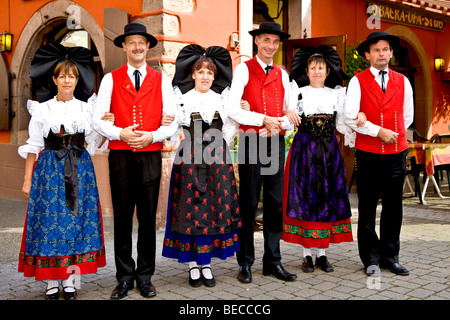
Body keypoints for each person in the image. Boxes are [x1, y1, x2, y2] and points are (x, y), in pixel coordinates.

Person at [162, 44, 275, 287]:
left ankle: (206, 264)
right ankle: (193, 265)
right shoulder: (180, 99)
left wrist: (242, 110)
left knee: (213, 209)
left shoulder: (223, 100)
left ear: (215, 76)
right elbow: (172, 129)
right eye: (200, 72)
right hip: (189, 160)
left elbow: (229, 130)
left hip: (217, 160)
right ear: (192, 74)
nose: (205, 77)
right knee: (189, 210)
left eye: (210, 73)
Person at [18, 43, 113, 300]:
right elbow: (34, 146)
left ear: (76, 79)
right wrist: (27, 180)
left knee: (75, 224)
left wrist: (106, 126)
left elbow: (94, 141)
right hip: (49, 172)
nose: (67, 80)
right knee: (50, 223)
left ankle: (70, 279)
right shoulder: (42, 109)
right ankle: (51, 281)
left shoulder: (86, 108)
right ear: (54, 79)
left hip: (80, 170)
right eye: (62, 76)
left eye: (71, 76)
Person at [92, 23, 178, 299]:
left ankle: (145, 276)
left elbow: (172, 121)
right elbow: (97, 118)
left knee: (148, 218)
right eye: (132, 42)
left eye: (142, 42)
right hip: (120, 156)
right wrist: (120, 132)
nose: (138, 47)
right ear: (124, 46)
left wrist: (152, 136)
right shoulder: (110, 79)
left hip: (150, 154)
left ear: (148, 46)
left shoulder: (162, 79)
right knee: (122, 218)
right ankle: (124, 277)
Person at [282, 46, 365, 273]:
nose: (317, 71)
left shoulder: (336, 94)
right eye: (313, 68)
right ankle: (307, 254)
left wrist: (358, 117)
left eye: (321, 68)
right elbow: (290, 121)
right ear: (307, 71)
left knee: (326, 197)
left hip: (329, 152)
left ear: (328, 71)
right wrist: (283, 119)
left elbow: (343, 122)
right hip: (304, 151)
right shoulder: (298, 92)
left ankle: (323, 254)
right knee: (306, 198)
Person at [229, 22, 299, 283]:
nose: (271, 46)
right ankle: (245, 262)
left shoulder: (282, 74)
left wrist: (279, 123)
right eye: (266, 40)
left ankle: (273, 261)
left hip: (275, 143)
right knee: (247, 203)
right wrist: (264, 120)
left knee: (274, 202)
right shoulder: (243, 70)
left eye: (275, 42)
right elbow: (232, 109)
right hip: (251, 141)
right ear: (257, 41)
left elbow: (292, 115)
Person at [344, 31, 414, 276]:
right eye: (376, 50)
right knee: (368, 208)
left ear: (391, 53)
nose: (381, 54)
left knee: (394, 207)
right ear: (367, 55)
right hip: (369, 152)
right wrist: (378, 132)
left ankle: (390, 257)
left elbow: (408, 116)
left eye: (385, 49)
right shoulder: (357, 81)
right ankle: (371, 259)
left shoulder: (403, 81)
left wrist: (393, 135)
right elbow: (349, 117)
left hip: (396, 151)